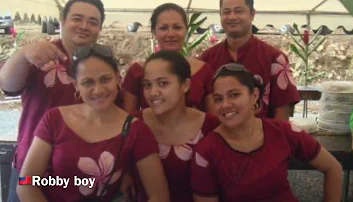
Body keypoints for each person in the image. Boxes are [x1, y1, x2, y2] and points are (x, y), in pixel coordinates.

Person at [0, 1, 122, 201]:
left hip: (83, 177)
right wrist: (22, 54)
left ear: (99, 28)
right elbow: (8, 86)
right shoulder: (40, 54)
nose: (84, 26)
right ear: (63, 21)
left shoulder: (102, 65)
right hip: (30, 174)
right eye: (77, 18)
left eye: (92, 22)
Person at [16, 44, 170, 202]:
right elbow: (25, 182)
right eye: (88, 82)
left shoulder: (136, 130)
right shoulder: (54, 120)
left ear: (118, 79)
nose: (98, 90)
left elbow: (159, 196)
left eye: (105, 79)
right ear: (76, 85)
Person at [191, 63, 343, 202]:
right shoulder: (207, 151)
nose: (225, 105)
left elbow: (333, 168)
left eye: (234, 95)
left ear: (254, 95)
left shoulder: (283, 131)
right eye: (218, 99)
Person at [122, 50, 220, 202]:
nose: (153, 92)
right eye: (147, 85)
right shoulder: (134, 125)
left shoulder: (210, 127)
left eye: (163, 83)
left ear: (185, 85)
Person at [199, 0, 300, 120]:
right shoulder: (206, 60)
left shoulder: (275, 59)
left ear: (252, 14)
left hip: (263, 136)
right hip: (216, 134)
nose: (232, 17)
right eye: (226, 12)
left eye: (238, 11)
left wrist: (273, 138)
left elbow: (282, 111)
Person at [122, 3, 215, 113]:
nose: (171, 34)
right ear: (153, 32)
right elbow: (127, 119)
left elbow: (214, 118)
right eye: (163, 28)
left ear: (186, 30)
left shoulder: (203, 71)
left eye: (177, 27)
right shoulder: (137, 72)